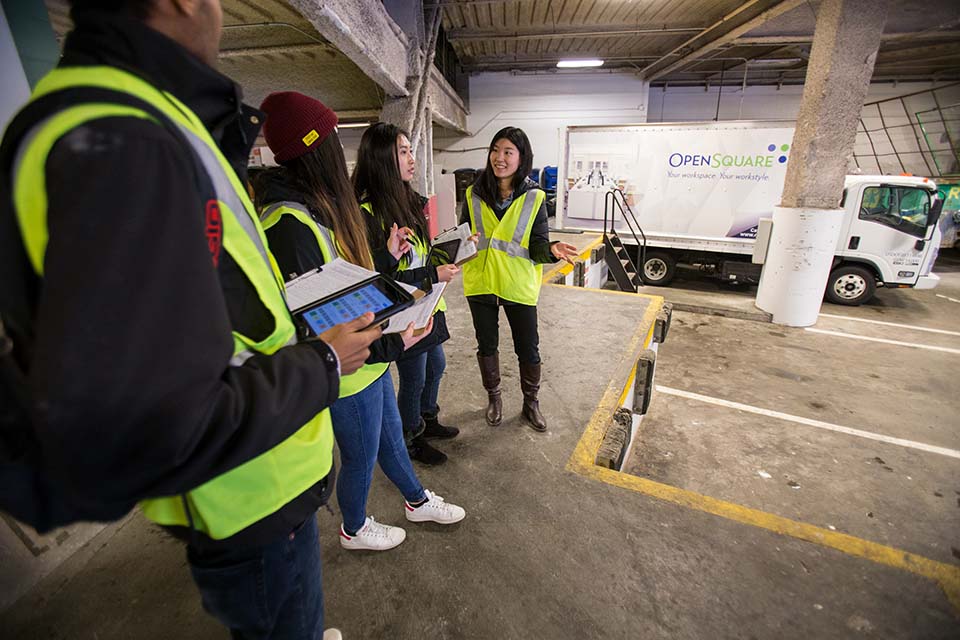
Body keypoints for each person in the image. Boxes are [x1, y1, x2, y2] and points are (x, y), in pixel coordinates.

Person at [0, 2, 382, 639]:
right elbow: (166, 417)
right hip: (249, 494)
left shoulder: (146, 125)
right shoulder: (121, 141)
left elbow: (224, 313)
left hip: (264, 478)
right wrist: (321, 362)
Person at [255, 92, 466, 553]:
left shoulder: (316, 210)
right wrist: (398, 340)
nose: (339, 145)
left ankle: (415, 499)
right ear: (317, 148)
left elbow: (346, 287)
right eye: (332, 136)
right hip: (348, 374)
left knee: (390, 440)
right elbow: (328, 326)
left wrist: (386, 264)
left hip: (366, 364)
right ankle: (353, 526)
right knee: (360, 457)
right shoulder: (291, 224)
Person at [352, 122, 461, 466]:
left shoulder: (408, 202)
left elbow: (422, 253)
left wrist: (453, 252)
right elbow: (380, 277)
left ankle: (427, 420)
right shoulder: (367, 214)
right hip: (403, 313)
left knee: (437, 365)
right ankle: (410, 436)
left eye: (410, 150)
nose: (412, 158)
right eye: (402, 151)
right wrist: (433, 274)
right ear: (383, 158)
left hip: (427, 302)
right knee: (414, 377)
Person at [460, 127, 578, 432]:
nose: (500, 158)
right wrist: (462, 244)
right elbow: (461, 236)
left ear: (521, 157)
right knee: (487, 345)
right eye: (495, 150)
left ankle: (531, 402)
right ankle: (494, 398)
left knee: (528, 347)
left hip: (518, 283)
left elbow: (537, 246)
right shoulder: (473, 192)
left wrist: (551, 249)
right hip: (481, 281)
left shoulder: (535, 197)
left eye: (508, 152)